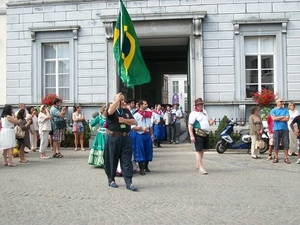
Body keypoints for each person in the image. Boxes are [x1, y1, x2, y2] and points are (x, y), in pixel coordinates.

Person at [104, 92, 137, 191]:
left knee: (127, 160)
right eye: (120, 100)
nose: (123, 102)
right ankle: (111, 179)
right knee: (112, 159)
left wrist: (124, 120)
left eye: (123, 100)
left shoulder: (126, 111)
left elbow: (134, 122)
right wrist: (117, 100)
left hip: (125, 138)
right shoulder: (111, 109)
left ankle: (129, 182)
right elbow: (109, 112)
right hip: (113, 138)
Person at [188, 98, 214, 174]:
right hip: (198, 133)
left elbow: (207, 123)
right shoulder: (193, 113)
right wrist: (191, 135)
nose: (201, 105)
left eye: (202, 104)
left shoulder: (204, 112)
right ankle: (201, 167)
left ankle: (198, 163)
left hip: (205, 133)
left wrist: (211, 122)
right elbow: (190, 125)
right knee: (198, 150)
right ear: (196, 105)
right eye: (200, 104)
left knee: (203, 149)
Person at [132, 100, 154, 175]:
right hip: (140, 134)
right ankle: (141, 168)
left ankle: (146, 166)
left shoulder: (148, 114)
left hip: (147, 134)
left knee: (148, 149)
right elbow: (133, 127)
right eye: (145, 104)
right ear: (141, 105)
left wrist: (152, 134)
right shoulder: (136, 115)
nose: (146, 105)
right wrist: (141, 128)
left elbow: (150, 125)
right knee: (140, 150)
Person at [271, 98, 290, 164]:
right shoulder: (273, 110)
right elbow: (274, 119)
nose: (282, 103)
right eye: (281, 101)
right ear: (277, 102)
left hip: (285, 129)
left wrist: (278, 118)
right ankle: (276, 157)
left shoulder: (286, 110)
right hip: (277, 129)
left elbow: (287, 119)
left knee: (286, 143)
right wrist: (282, 116)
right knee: (276, 144)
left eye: (283, 102)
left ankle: (286, 157)